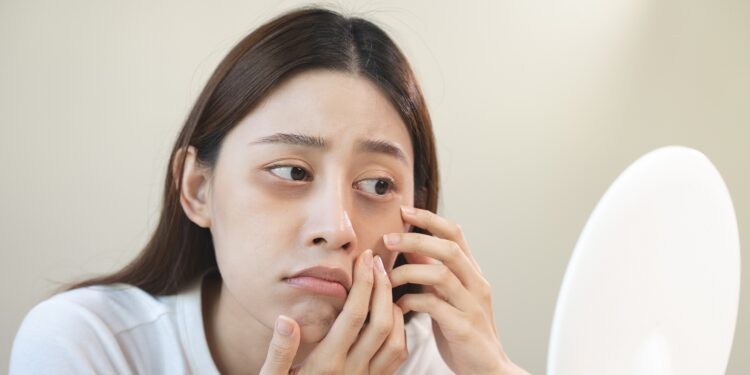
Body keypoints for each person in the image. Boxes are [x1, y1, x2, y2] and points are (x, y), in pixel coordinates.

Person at [10, 7, 528, 375]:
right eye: (292, 172)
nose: (336, 228)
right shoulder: (88, 344)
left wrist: (495, 369)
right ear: (197, 189)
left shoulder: (422, 357)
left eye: (377, 184)